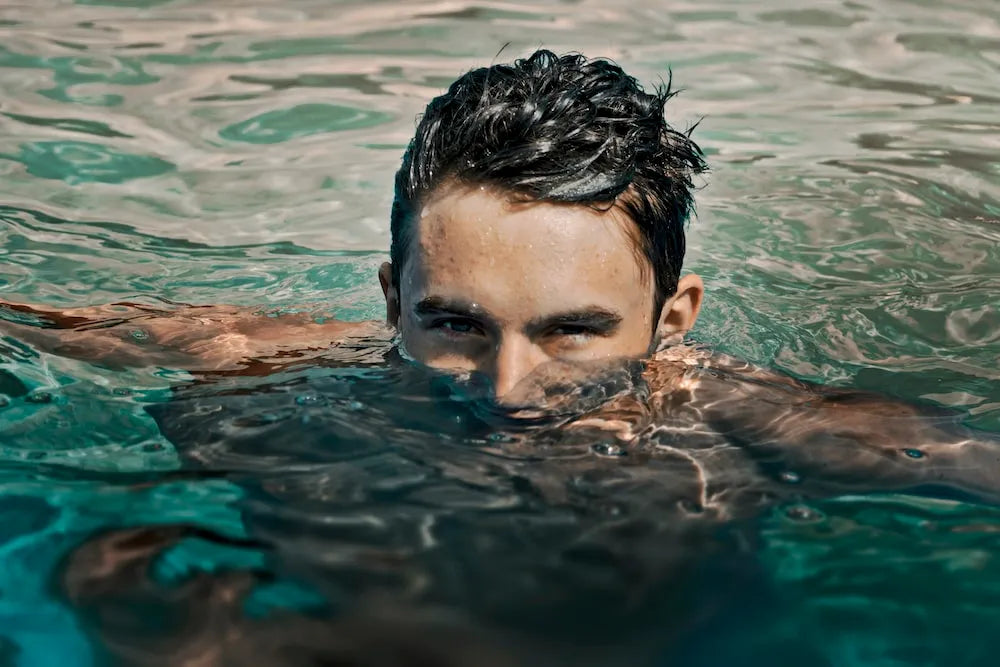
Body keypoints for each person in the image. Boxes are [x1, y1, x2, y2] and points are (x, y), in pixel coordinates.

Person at [1, 49, 998, 501]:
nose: (507, 391)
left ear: (674, 316)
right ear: (393, 298)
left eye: (571, 330)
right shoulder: (263, 365)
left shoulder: (772, 428)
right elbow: (58, 322)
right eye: (456, 326)